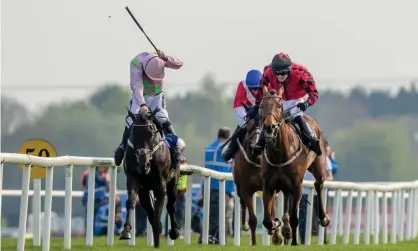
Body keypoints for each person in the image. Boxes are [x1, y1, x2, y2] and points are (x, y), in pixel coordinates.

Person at [113, 50, 184, 169]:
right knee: (131, 119)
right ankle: (123, 146)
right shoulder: (136, 64)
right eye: (151, 78)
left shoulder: (159, 59)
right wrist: (142, 104)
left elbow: (179, 64)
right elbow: (137, 88)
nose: (153, 81)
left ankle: (176, 149)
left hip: (157, 96)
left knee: (163, 118)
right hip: (139, 96)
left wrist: (167, 58)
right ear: (145, 70)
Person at [252, 52, 322, 156]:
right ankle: (260, 144)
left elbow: (314, 93)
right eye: (277, 73)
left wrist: (307, 103)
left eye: (283, 73)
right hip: (279, 98)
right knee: (270, 117)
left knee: (296, 116)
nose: (280, 76)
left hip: (296, 99)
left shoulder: (301, 74)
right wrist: (257, 105)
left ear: (289, 70)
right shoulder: (268, 72)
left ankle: (311, 139)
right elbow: (260, 89)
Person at [199, 127, 235, 244]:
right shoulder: (225, 148)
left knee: (209, 215)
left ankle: (204, 237)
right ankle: (215, 238)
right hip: (221, 187)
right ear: (229, 137)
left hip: (208, 185)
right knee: (219, 216)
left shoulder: (209, 147)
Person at [221, 69, 262, 161]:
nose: (255, 91)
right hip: (245, 108)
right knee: (243, 125)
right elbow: (238, 106)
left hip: (260, 108)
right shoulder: (242, 86)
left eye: (257, 88)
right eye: (252, 89)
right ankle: (231, 149)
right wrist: (246, 117)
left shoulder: (267, 85)